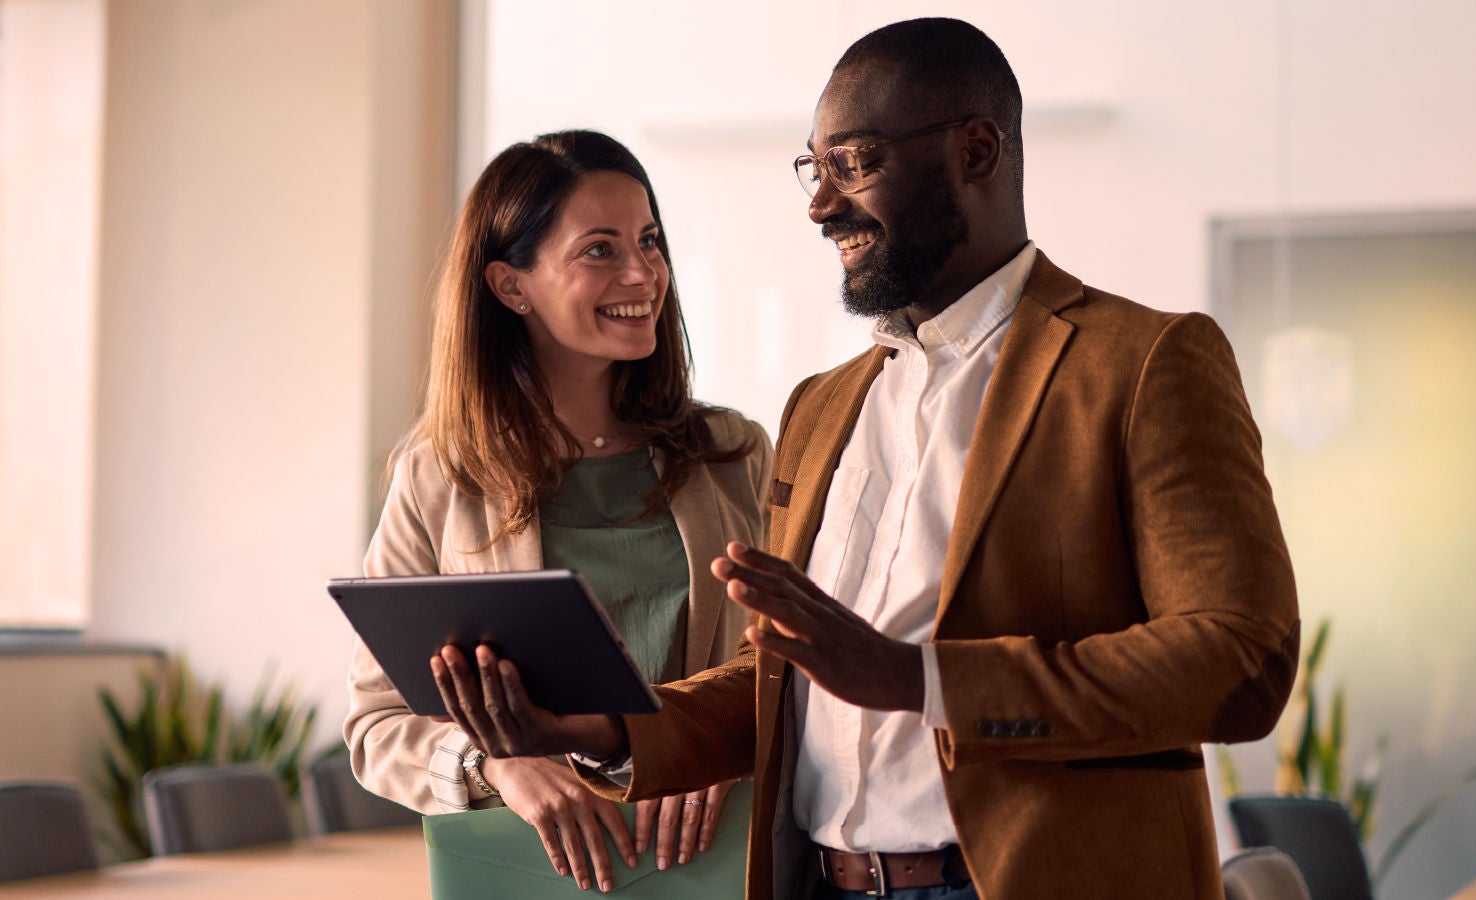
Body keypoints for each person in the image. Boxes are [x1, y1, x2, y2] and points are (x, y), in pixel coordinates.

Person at [432, 19, 1300, 900]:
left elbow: (1240, 660)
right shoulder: (822, 405)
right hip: (823, 883)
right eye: (815, 170)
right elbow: (783, 676)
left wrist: (916, 678)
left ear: (975, 150)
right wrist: (612, 732)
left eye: (855, 163)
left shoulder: (1144, 363)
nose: (819, 206)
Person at [344, 130, 772, 894]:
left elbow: (803, 667)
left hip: (716, 865)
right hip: (526, 872)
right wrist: (498, 766)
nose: (643, 272)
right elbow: (376, 724)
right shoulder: (439, 475)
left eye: (649, 241)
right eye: (599, 250)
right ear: (512, 287)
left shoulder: (734, 455)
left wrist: (730, 744)